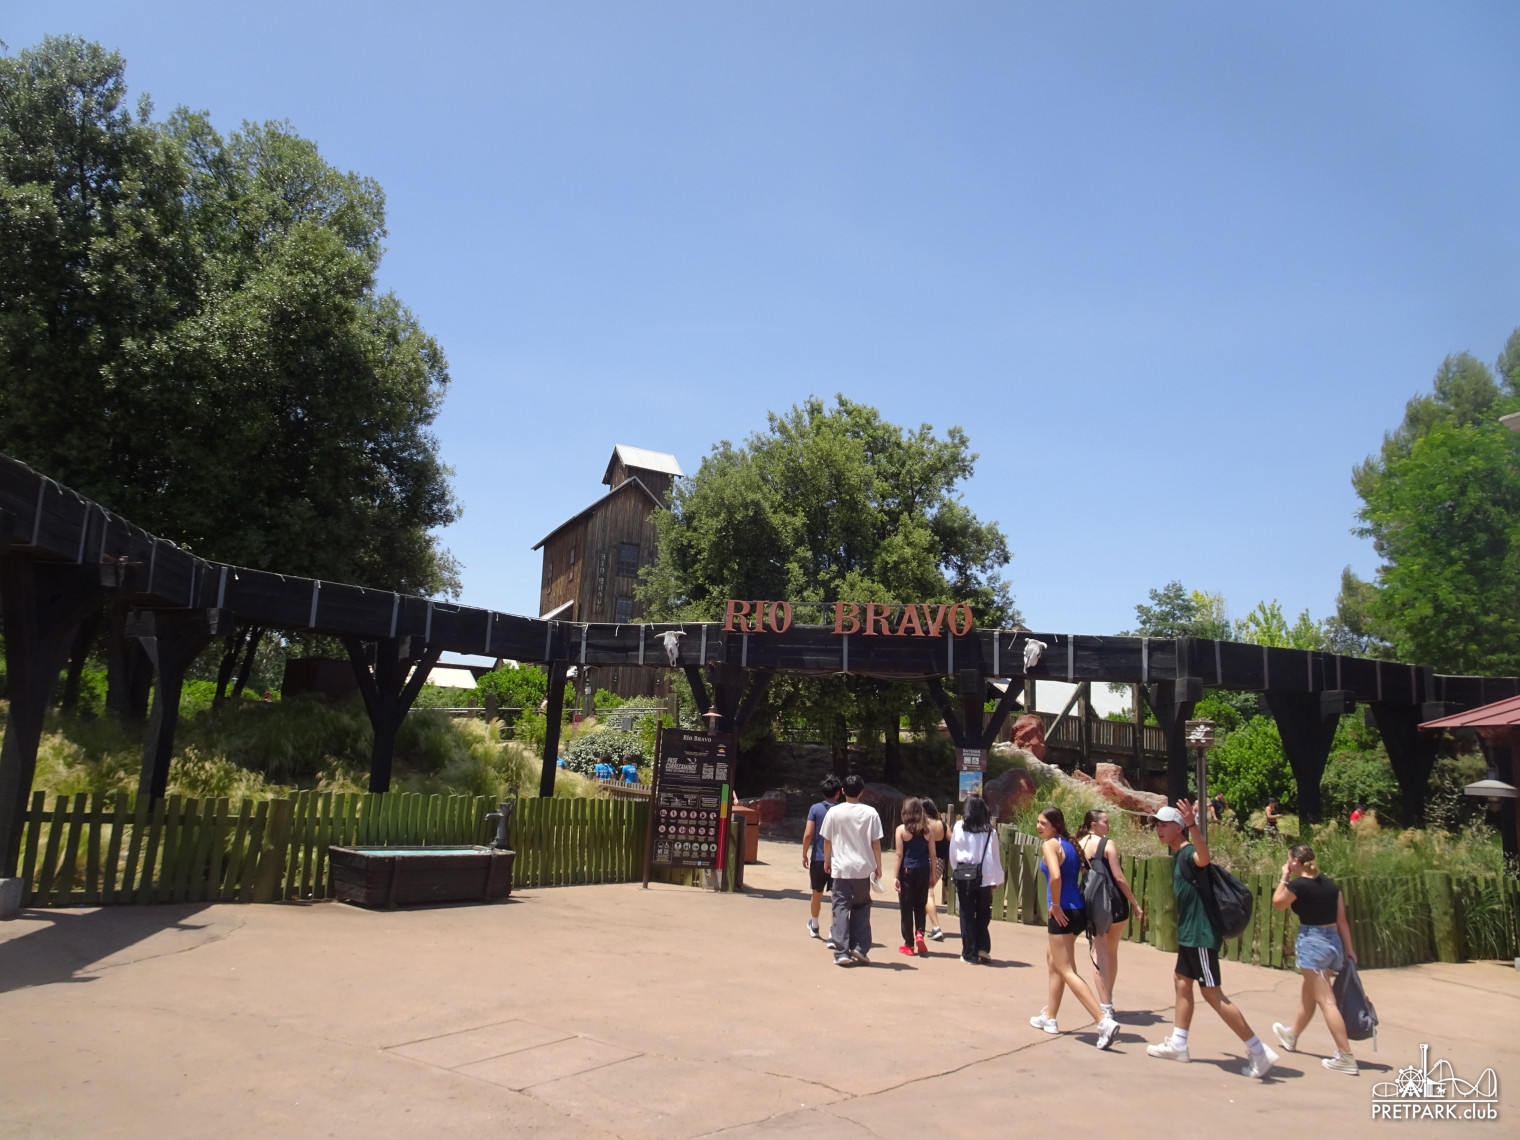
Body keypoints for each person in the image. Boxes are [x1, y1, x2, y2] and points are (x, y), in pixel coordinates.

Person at [1146, 801, 1278, 1078]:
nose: (1158, 829)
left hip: (1201, 935)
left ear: (1178, 828)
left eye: (1163, 824)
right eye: (1156, 825)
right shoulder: (1177, 855)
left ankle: (1259, 1050)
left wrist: (1193, 825)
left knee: (1212, 993)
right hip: (1190, 934)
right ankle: (1179, 1043)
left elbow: (1204, 858)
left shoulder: (1188, 852)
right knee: (1182, 981)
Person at [1029, 808, 1120, 1049]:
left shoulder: (1050, 845)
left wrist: (1056, 905)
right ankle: (1050, 1017)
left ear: (1055, 825)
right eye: (1038, 822)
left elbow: (1056, 877)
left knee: (1066, 969)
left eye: (1043, 823)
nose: (1039, 827)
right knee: (1053, 961)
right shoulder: (1070, 844)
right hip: (1078, 910)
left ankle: (1103, 1022)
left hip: (1063, 912)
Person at [1271, 844, 1359, 1074]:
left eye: (1289, 859)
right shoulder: (1331, 886)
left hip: (1313, 944)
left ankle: (1346, 1056)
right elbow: (1342, 921)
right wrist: (1349, 949)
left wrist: (1284, 878)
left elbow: (1278, 903)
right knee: (1309, 994)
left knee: (1326, 1001)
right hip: (1333, 944)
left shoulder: (1299, 885)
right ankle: (1292, 1035)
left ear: (1295, 861)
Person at [1075, 808, 1144, 1024]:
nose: (1109, 825)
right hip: (1113, 901)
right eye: (1106, 821)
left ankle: (1104, 1005)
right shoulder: (1107, 844)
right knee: (1111, 953)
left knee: (1098, 952)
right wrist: (1134, 902)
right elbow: (1119, 877)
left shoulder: (1079, 843)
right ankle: (1108, 1001)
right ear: (1094, 824)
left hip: (1092, 902)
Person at [819, 774, 883, 966]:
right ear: (861, 792)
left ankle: (841, 951)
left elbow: (827, 840)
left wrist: (826, 859)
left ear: (843, 791)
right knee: (862, 906)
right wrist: (878, 865)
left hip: (841, 868)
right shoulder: (871, 813)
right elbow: (876, 843)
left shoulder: (834, 812)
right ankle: (860, 947)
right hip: (863, 868)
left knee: (840, 906)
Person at [948, 793, 1003, 965]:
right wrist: (994, 878)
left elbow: (953, 851)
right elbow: (994, 856)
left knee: (966, 913)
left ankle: (969, 952)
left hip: (964, 875)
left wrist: (957, 869)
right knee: (983, 911)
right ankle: (983, 947)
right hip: (984, 877)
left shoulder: (959, 826)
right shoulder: (990, 831)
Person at [802, 776, 843, 939]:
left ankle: (815, 924)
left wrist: (804, 854)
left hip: (818, 857)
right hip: (838, 859)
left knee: (816, 894)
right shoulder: (843, 810)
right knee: (836, 897)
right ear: (838, 793)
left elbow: (808, 834)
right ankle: (834, 931)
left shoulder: (815, 809)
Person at [893, 798, 936, 956]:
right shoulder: (928, 830)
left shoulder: (901, 830)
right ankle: (920, 933)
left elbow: (899, 854)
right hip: (923, 870)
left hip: (907, 871)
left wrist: (895, 876)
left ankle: (909, 944)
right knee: (920, 904)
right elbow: (933, 854)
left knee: (906, 907)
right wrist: (932, 874)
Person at [921, 798, 948, 941]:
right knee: (927, 892)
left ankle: (936, 927)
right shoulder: (942, 825)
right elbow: (952, 841)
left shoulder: (922, 824)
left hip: (925, 861)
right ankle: (920, 925)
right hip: (940, 863)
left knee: (927, 892)